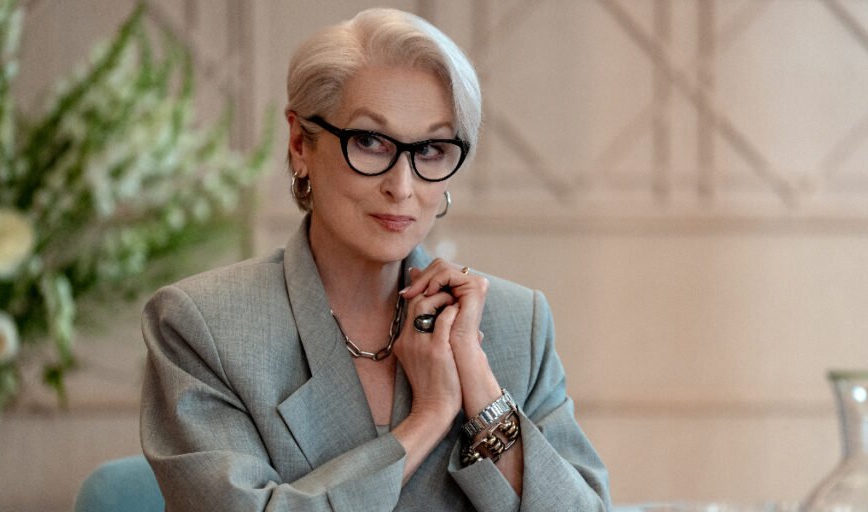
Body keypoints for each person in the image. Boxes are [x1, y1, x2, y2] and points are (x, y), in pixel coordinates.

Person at [140, 8, 610, 511]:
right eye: (369, 141)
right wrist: (428, 417)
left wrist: (480, 387)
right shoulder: (203, 326)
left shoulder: (518, 323)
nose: (401, 186)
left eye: (430, 149)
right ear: (301, 143)